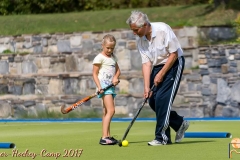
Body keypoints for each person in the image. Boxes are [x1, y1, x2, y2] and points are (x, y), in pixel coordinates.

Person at [126, 10, 190, 146]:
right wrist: (146, 87)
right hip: (156, 66)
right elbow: (146, 64)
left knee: (162, 99)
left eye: (135, 30)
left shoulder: (163, 29)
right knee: (153, 100)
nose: (134, 33)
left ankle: (162, 138)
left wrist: (162, 74)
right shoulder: (141, 41)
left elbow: (173, 54)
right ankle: (179, 123)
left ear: (144, 25)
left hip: (173, 64)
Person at [92, 34, 121, 145]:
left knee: (106, 112)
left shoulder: (113, 58)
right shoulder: (99, 58)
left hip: (111, 87)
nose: (110, 50)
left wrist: (115, 77)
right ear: (102, 45)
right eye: (108, 48)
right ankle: (104, 137)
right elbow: (94, 74)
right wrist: (99, 87)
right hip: (104, 87)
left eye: (112, 48)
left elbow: (118, 71)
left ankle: (107, 136)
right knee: (111, 111)